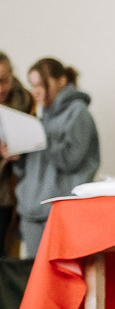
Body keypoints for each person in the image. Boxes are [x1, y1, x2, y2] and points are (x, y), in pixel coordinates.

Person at [2, 58, 100, 257]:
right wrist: (17, 156)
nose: (35, 91)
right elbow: (29, 171)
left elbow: (71, 160)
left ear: (61, 81)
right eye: (32, 85)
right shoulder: (41, 116)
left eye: (40, 84)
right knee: (35, 281)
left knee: (61, 279)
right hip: (31, 214)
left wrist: (43, 137)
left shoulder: (78, 113)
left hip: (59, 214)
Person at [0, 52, 36, 255]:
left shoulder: (27, 101)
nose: (1, 88)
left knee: (9, 257)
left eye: (4, 80)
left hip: (14, 193)